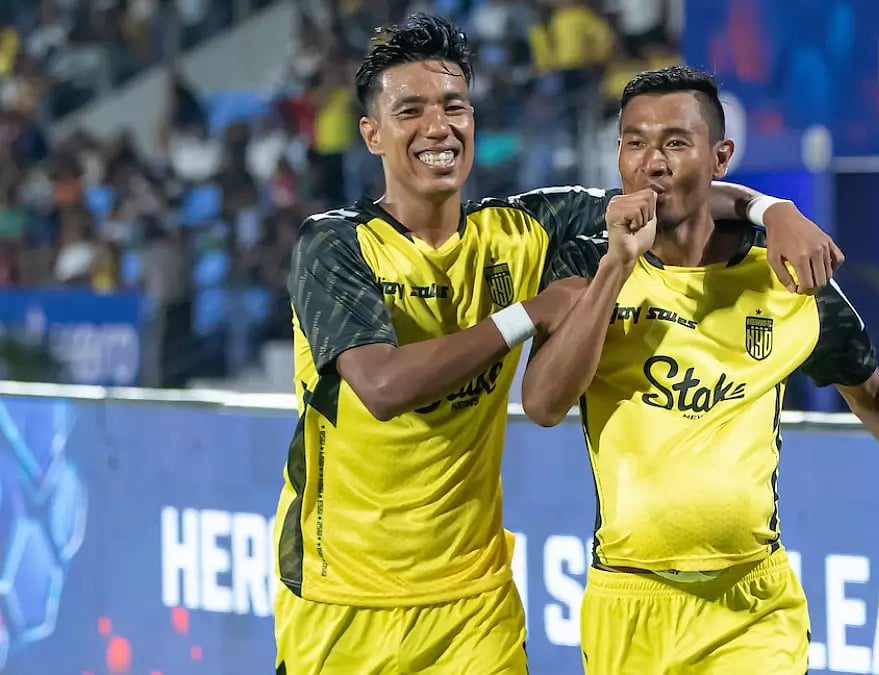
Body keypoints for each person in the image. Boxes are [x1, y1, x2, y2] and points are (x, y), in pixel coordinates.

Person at [272, 15, 845, 675]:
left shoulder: (524, 230)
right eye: (411, 111)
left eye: (454, 106)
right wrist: (529, 312)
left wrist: (772, 210)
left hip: (473, 606)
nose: (439, 126)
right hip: (342, 603)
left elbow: (670, 192)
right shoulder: (334, 245)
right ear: (371, 133)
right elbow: (382, 387)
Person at [521, 65, 879, 673]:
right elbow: (545, 406)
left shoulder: (785, 278)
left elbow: (875, 395)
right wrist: (616, 270)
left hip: (752, 607)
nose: (651, 162)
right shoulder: (586, 262)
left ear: (720, 156)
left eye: (676, 143)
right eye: (634, 142)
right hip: (628, 602)